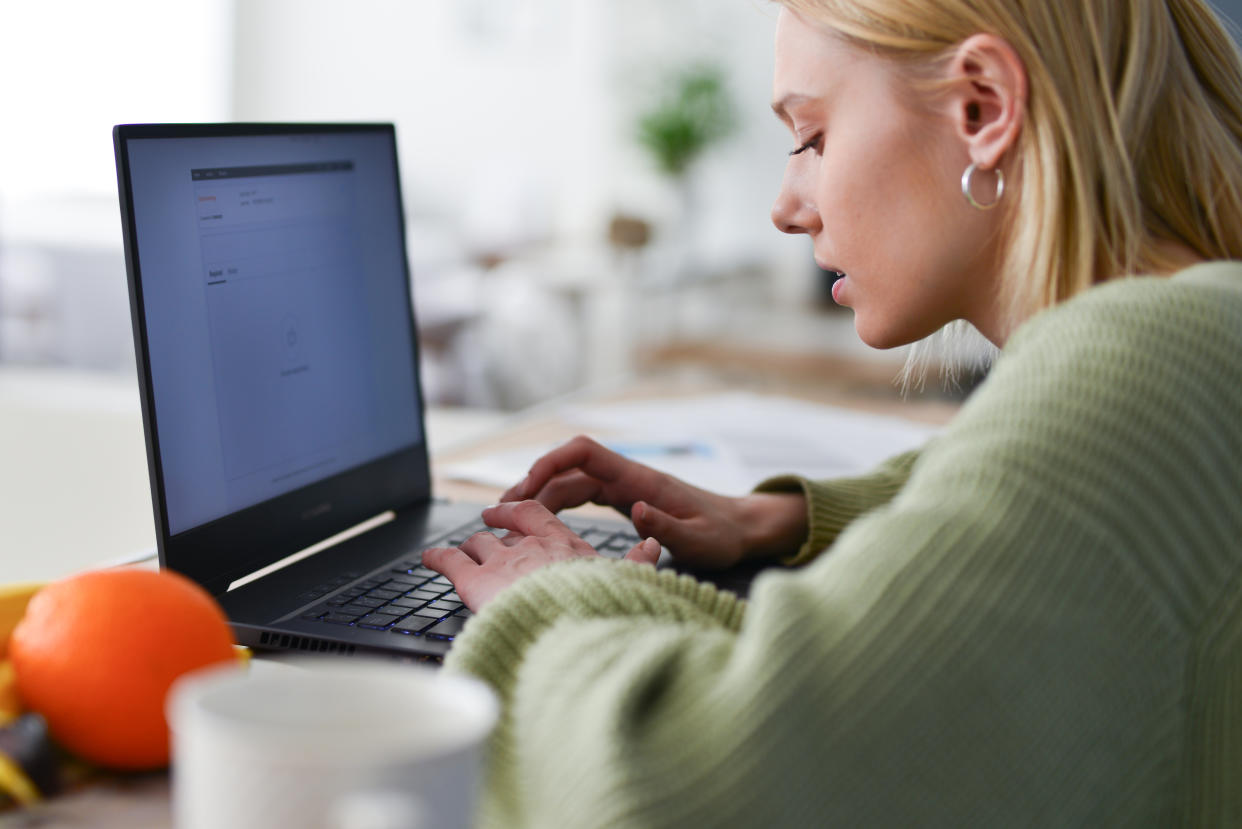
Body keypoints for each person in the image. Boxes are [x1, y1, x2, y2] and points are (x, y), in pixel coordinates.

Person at [422, 0, 1242, 825]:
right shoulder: (1201, 336)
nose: (785, 206)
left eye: (812, 138)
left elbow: (698, 790)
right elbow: (1066, 498)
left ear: (983, 108)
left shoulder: (1138, 369)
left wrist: (554, 603)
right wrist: (781, 516)